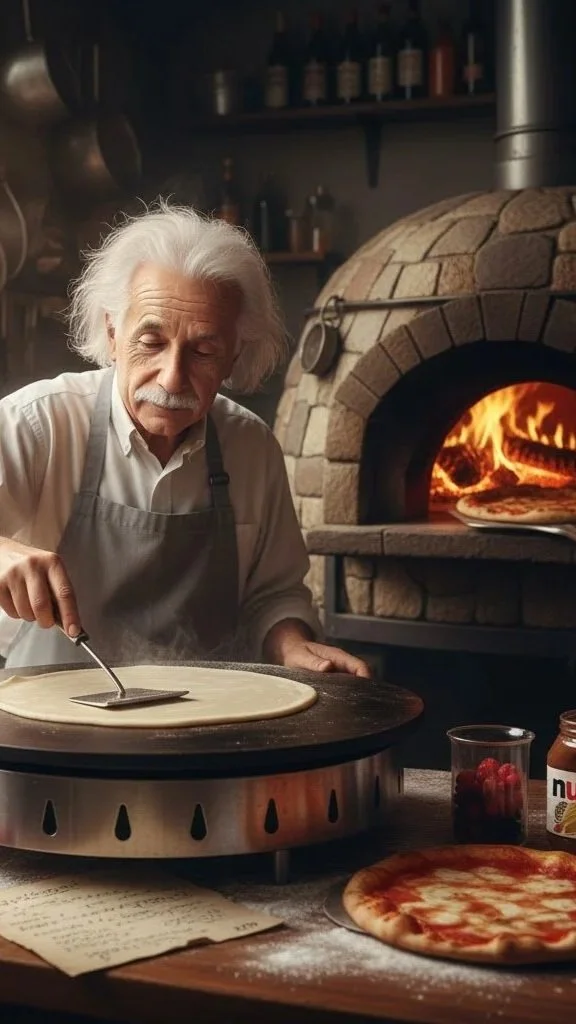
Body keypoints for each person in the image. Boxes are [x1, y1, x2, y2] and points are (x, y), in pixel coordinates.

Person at [0, 202, 369, 677]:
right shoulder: (37, 424)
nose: (172, 378)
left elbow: (273, 596)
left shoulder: (251, 448)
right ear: (113, 333)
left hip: (204, 726)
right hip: (48, 726)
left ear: (235, 356)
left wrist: (293, 647)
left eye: (204, 351)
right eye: (151, 343)